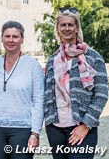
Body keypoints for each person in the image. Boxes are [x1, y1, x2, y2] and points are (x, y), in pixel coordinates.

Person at [44, 8, 108, 159]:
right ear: (58, 29)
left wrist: (86, 125)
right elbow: (48, 94)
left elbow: (101, 94)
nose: (67, 28)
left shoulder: (93, 57)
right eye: (63, 25)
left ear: (77, 28)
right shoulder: (53, 60)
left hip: (82, 126)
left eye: (71, 25)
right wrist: (48, 121)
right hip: (56, 128)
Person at [0, 21, 44, 159]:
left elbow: (39, 100)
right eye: (7, 36)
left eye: (15, 36)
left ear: (22, 39)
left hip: (22, 129)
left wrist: (35, 133)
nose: (11, 40)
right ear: (2, 38)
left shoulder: (33, 66)